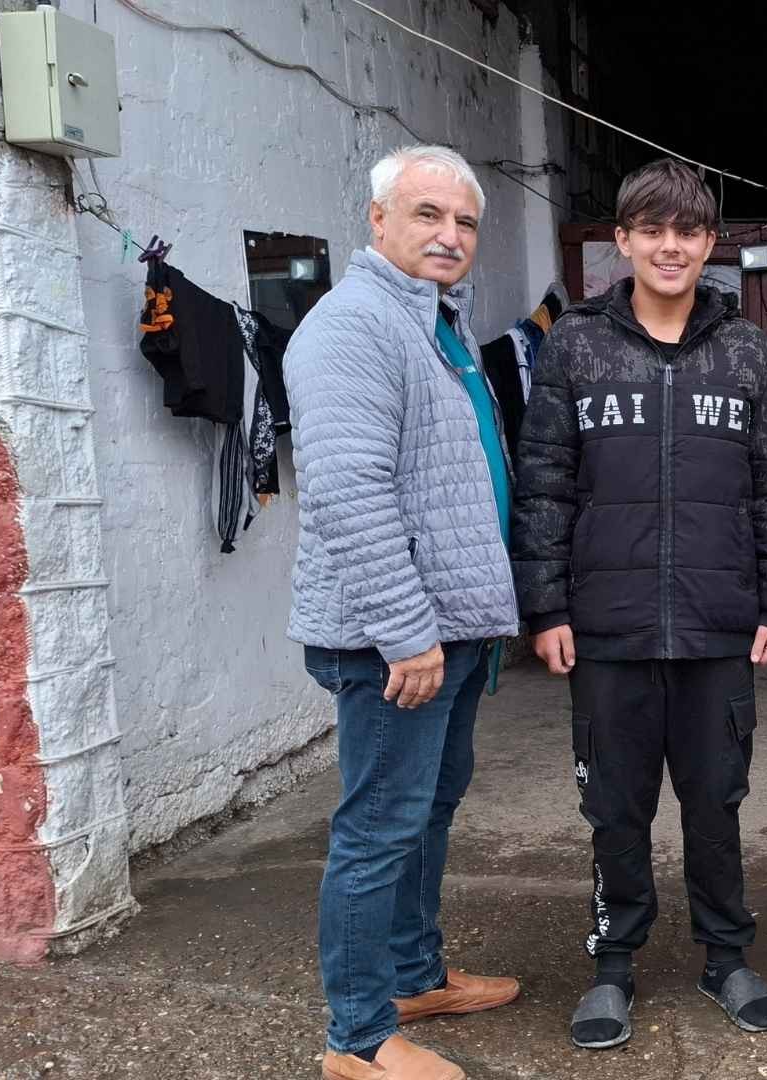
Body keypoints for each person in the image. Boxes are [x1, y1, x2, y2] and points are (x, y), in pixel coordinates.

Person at [510, 158, 767, 1050]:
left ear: (709, 243)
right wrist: (548, 608)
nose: (669, 246)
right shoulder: (577, 344)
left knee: (716, 798)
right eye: (651, 229)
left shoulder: (748, 349)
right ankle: (613, 964)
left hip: (719, 623)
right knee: (615, 806)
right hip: (607, 626)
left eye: (687, 231)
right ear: (625, 241)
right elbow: (545, 485)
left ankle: (726, 954)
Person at [285, 145, 522, 1080]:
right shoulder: (352, 328)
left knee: (426, 813)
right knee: (379, 829)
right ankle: (357, 1039)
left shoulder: (438, 325)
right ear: (376, 221)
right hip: (395, 641)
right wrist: (407, 630)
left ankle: (415, 978)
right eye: (427, 215)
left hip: (449, 631)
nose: (449, 236)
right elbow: (347, 492)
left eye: (463, 222)